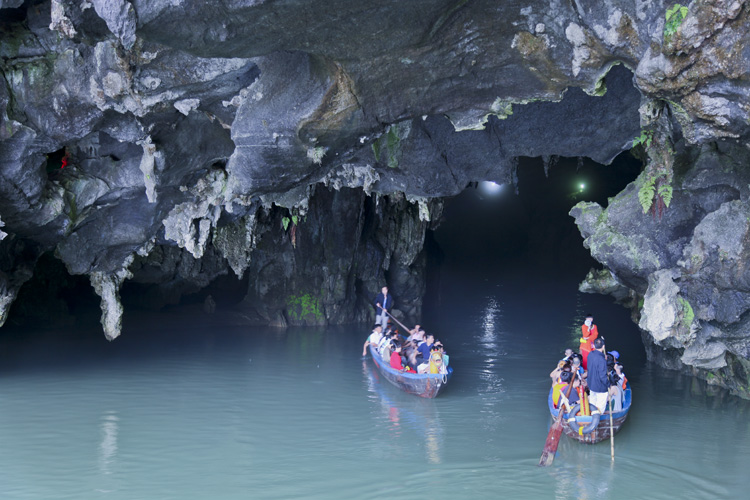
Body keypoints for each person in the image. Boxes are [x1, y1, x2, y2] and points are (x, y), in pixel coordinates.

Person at [586, 336, 609, 413]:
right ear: (603, 346)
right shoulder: (601, 360)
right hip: (600, 387)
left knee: (592, 402)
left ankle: (591, 416)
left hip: (591, 384)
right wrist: (608, 384)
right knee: (600, 405)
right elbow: (602, 376)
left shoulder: (590, 354)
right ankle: (597, 419)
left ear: (594, 346)